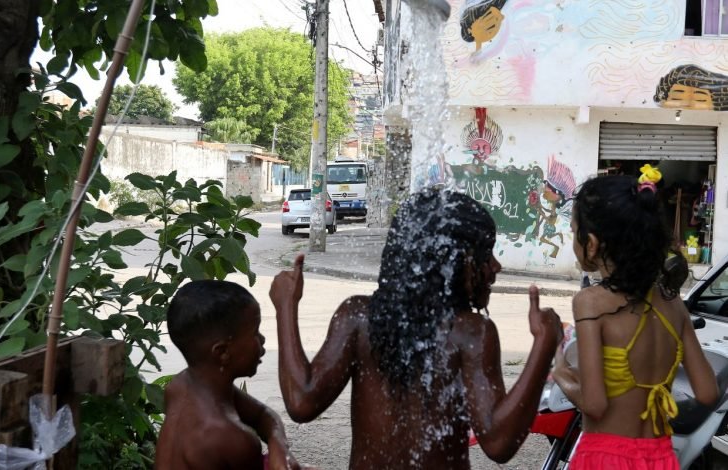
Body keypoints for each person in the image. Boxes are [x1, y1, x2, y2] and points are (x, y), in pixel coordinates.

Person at [269, 188, 562, 468]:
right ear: (452, 260)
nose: (496, 266)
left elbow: (302, 401)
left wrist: (285, 306)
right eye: (486, 254)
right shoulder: (470, 333)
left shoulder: (357, 316)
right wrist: (544, 344)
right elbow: (498, 443)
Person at [552, 172, 718, 469]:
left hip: (605, 457)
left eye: (573, 231)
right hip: (660, 457)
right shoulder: (673, 304)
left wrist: (560, 369)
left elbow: (594, 404)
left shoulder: (590, 302)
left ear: (592, 243)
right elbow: (707, 393)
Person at [155, 280, 302, 470]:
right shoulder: (231, 439)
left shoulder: (181, 385)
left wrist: (279, 447)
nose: (263, 340)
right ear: (222, 352)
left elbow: (263, 415)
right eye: (255, 332)